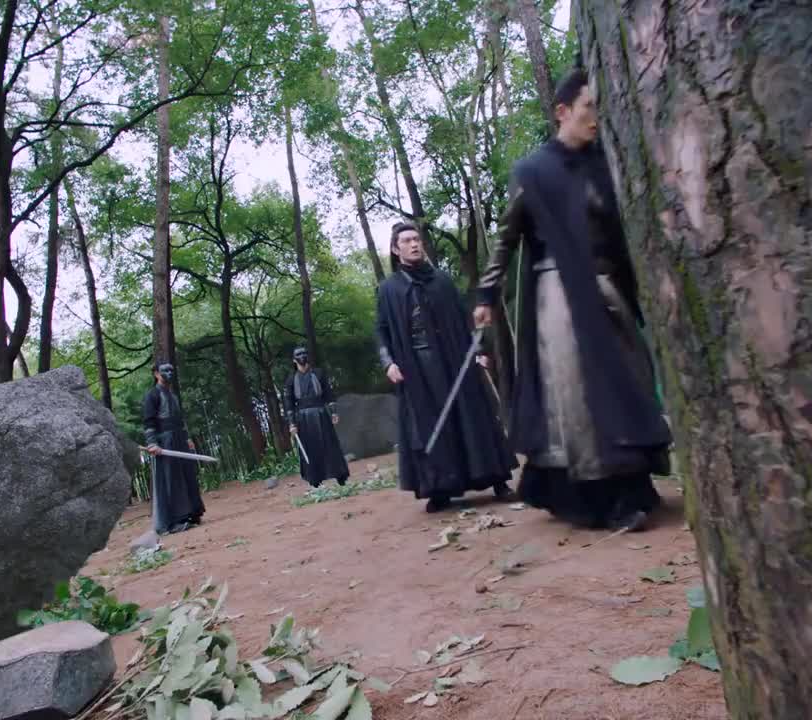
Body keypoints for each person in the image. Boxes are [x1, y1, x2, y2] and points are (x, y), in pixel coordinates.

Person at [474, 66, 672, 531]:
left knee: (627, 385)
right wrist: (486, 292)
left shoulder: (605, 166)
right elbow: (506, 239)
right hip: (559, 298)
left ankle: (633, 488)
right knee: (580, 398)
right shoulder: (532, 171)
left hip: (608, 291)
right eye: (588, 108)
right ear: (562, 111)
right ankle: (597, 500)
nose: (596, 118)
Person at [375, 222, 517, 512]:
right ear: (396, 249)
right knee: (430, 427)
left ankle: (497, 480)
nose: (414, 244)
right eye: (407, 241)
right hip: (418, 368)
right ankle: (440, 489)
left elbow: (464, 319)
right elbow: (381, 329)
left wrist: (477, 352)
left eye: (416, 239)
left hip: (454, 359)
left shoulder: (441, 280)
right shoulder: (389, 289)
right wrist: (388, 362)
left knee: (473, 417)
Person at [142, 362, 205, 534]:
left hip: (179, 440)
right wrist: (152, 443)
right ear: (156, 374)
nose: (169, 373)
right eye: (165, 370)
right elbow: (148, 422)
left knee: (187, 475)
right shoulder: (152, 395)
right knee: (171, 479)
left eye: (171, 370)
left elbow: (179, 419)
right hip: (165, 442)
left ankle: (191, 514)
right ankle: (174, 521)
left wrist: (187, 438)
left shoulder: (173, 396)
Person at [284, 346, 350, 489]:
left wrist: (333, 412)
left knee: (330, 445)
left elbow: (328, 393)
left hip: (321, 414)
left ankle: (340, 476)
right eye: (299, 355)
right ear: (294, 360)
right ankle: (315, 480)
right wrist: (292, 424)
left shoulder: (319, 373)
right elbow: (289, 403)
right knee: (310, 449)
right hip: (303, 419)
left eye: (304, 354)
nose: (302, 357)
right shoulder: (291, 379)